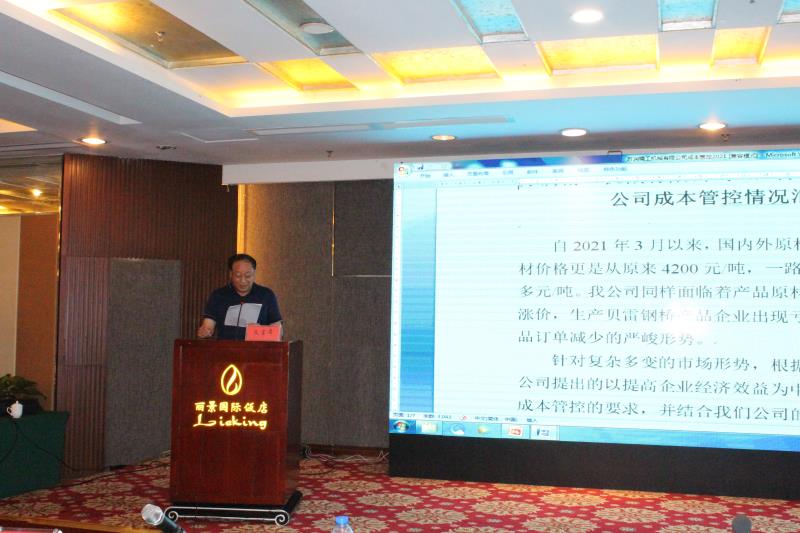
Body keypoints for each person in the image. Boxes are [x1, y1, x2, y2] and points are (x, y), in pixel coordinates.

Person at [197, 253, 282, 340]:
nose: (243, 280)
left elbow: (278, 329)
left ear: (254, 274)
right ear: (231, 274)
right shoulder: (219, 295)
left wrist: (260, 331)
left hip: (257, 347)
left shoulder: (266, 295)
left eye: (248, 276)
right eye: (238, 275)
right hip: (226, 347)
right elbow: (208, 325)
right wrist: (205, 331)